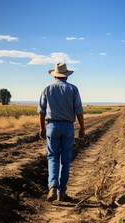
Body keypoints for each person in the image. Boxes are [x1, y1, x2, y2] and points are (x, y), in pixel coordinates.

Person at [38, 62, 85, 202]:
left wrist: (42, 127)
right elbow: (79, 110)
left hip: (52, 126)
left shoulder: (47, 89)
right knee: (65, 160)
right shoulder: (73, 89)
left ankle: (52, 186)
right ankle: (62, 193)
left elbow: (41, 111)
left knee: (52, 157)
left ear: (55, 76)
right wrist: (82, 127)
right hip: (68, 127)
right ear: (67, 76)